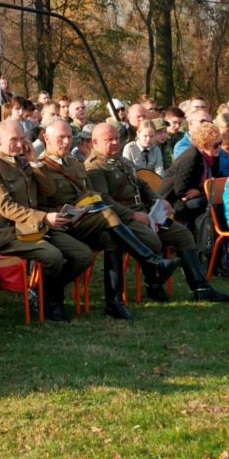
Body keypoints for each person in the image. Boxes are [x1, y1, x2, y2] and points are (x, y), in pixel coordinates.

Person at [35, 120, 179, 318]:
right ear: (46, 138)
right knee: (107, 212)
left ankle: (114, 302)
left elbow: (89, 192)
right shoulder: (39, 166)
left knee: (110, 236)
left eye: (69, 137)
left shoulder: (74, 164)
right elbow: (39, 202)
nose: (66, 142)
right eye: (61, 137)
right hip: (57, 224)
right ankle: (152, 262)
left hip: (81, 220)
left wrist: (87, 203)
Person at [86, 122, 229, 303]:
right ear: (95, 142)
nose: (115, 143)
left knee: (183, 235)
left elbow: (142, 184)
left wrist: (158, 199)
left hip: (144, 213)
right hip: (122, 219)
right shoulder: (94, 167)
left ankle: (202, 288)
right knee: (152, 240)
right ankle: (154, 285)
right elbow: (104, 200)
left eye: (117, 138)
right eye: (109, 140)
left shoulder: (121, 161)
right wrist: (132, 215)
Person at [0, 119, 94, 322]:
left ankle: (41, 292)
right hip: (11, 232)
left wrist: (34, 161)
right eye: (14, 140)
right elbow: (6, 207)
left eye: (22, 139)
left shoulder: (24, 162)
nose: (19, 144)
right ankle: (53, 300)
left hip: (37, 227)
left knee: (84, 255)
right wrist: (43, 217)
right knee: (53, 256)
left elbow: (49, 190)